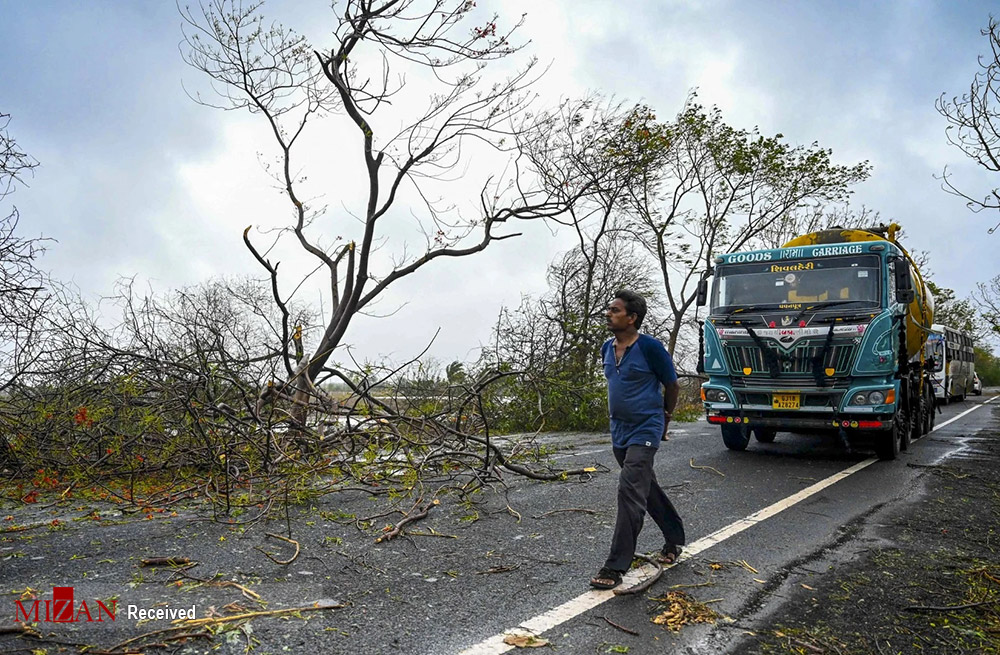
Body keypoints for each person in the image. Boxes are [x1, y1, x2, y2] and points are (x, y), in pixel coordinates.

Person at [589, 290, 686, 590]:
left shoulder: (650, 348)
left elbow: (671, 385)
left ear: (632, 318)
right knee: (646, 487)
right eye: (609, 308)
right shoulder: (607, 348)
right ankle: (674, 537)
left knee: (629, 488)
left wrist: (665, 417)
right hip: (620, 431)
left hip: (646, 428)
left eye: (615, 310)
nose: (608, 313)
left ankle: (616, 565)